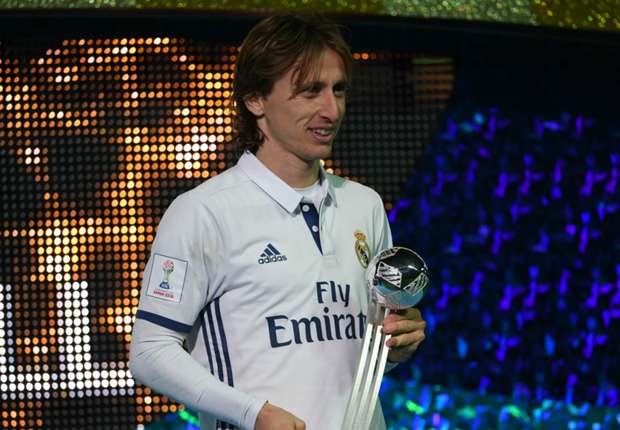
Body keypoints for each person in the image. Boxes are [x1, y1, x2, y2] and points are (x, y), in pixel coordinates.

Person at [129, 14, 426, 430]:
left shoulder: (365, 206)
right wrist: (255, 414)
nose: (332, 109)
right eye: (311, 91)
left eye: (338, 90)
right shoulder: (202, 212)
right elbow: (149, 352)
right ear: (255, 99)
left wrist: (394, 349)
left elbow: (348, 357)